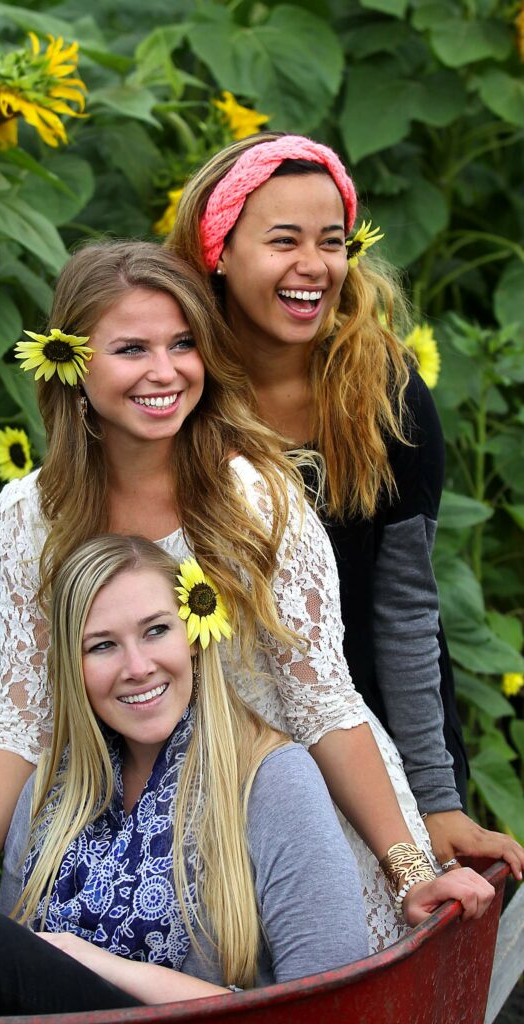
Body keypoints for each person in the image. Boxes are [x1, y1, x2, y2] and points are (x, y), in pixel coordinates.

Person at [0, 240, 507, 950]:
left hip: (269, 806)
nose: (164, 373)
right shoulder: (28, 515)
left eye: (184, 344)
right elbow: (23, 723)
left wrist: (408, 872)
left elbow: (322, 702)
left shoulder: (254, 498)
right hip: (119, 819)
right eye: (132, 349)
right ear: (72, 363)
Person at [0, 536, 383, 1020]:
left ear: (194, 634)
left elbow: (328, 1005)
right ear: (72, 669)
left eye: (156, 630)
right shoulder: (54, 789)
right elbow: (12, 961)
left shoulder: (272, 779)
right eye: (102, 646)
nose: (137, 667)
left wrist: (92, 959)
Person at [166, 132, 524, 875]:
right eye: (283, 240)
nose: (313, 266)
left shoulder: (382, 392)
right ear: (217, 249)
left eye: (331, 241)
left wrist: (436, 800)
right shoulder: (175, 386)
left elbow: (402, 610)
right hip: (191, 733)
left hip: (357, 733)